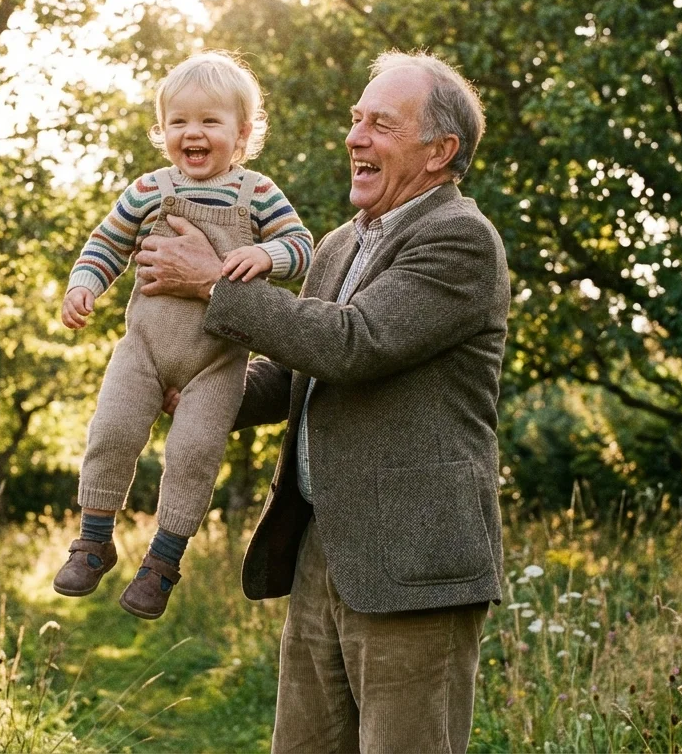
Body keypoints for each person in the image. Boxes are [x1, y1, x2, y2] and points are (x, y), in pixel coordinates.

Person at [134, 50, 509, 752]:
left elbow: (353, 343)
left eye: (381, 126)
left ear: (440, 151)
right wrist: (195, 387)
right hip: (322, 546)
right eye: (355, 120)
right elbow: (299, 371)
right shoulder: (339, 245)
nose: (355, 138)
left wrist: (216, 285)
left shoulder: (460, 240)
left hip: (413, 564)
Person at [53, 51, 314, 620]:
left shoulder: (258, 193)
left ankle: (163, 562)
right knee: (113, 428)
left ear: (243, 133)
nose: (192, 133)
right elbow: (106, 244)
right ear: (162, 130)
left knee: (195, 453)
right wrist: (83, 286)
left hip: (216, 363)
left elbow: (302, 249)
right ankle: (94, 540)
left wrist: (263, 253)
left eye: (210, 122)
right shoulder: (147, 188)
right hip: (142, 350)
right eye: (179, 122)